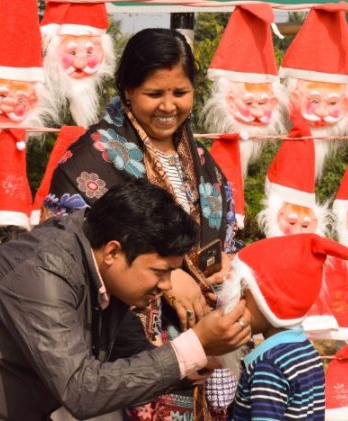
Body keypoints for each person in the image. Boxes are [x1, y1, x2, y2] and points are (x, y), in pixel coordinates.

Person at [0, 179, 252, 420]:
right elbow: (81, 390)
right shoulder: (45, 270)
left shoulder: (98, 268)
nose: (164, 285)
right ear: (114, 251)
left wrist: (192, 366)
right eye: (159, 271)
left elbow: (134, 360)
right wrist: (193, 345)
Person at [45, 28, 239, 418]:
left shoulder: (202, 162)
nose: (168, 106)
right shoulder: (91, 158)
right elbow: (70, 250)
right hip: (123, 355)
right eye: (155, 94)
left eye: (180, 93)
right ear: (127, 90)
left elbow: (227, 239)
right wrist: (170, 281)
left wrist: (226, 271)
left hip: (201, 348)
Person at [215, 234, 348, 420]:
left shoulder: (269, 367)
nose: (236, 305)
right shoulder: (306, 351)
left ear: (267, 301)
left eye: (243, 295)